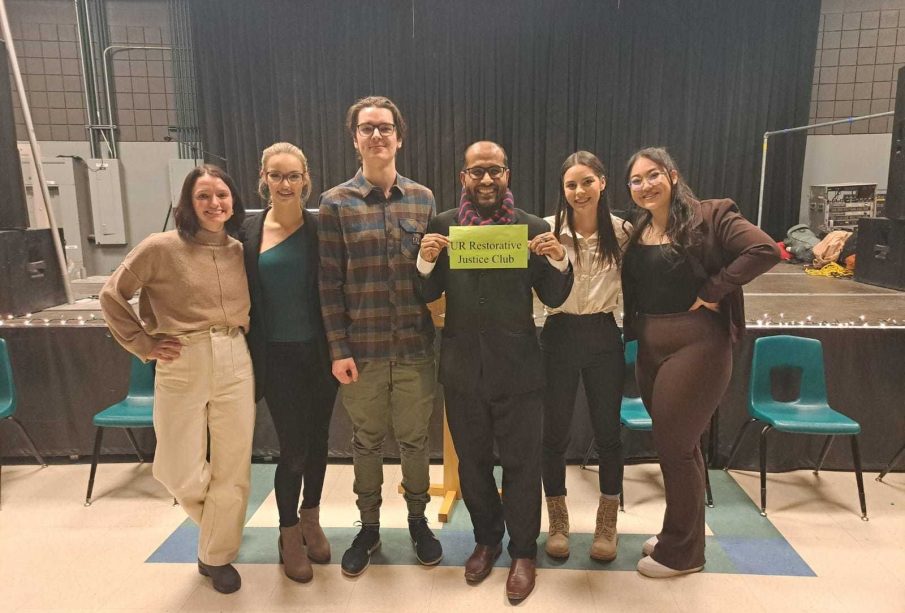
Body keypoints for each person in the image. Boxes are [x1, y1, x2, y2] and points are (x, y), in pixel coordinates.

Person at [416, 141, 573, 602]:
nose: (486, 179)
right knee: (473, 464)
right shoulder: (443, 226)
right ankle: (486, 540)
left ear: (507, 175)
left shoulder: (533, 228)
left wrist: (558, 259)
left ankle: (523, 552)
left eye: (495, 171)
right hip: (463, 370)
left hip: (519, 371)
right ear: (463, 177)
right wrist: (425, 260)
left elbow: (555, 296)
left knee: (523, 466)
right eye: (477, 171)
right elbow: (425, 291)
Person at [620, 147, 780, 578]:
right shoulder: (639, 229)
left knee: (674, 447)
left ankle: (684, 555)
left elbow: (764, 249)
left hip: (697, 346)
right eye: (636, 180)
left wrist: (714, 289)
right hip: (651, 347)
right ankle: (680, 535)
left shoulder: (711, 215)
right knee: (679, 447)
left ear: (672, 175)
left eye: (653, 175)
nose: (645, 185)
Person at [99, 165, 254, 594]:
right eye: (203, 196)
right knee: (175, 468)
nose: (214, 203)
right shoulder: (160, 247)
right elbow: (111, 294)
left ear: (233, 201)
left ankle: (216, 556)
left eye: (221, 195)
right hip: (182, 357)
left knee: (233, 467)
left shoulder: (240, 251)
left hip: (235, 356)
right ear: (187, 203)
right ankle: (219, 531)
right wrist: (142, 343)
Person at [318, 96, 442, 577]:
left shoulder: (423, 200)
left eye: (385, 128)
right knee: (366, 442)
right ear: (355, 139)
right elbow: (329, 284)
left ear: (399, 137)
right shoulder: (335, 203)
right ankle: (368, 527)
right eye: (367, 128)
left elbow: (432, 276)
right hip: (361, 352)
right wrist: (338, 349)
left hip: (414, 349)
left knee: (415, 441)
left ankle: (418, 523)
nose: (377, 135)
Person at [240, 142, 338, 583]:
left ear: (305, 180)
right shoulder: (245, 233)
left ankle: (311, 518)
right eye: (276, 175)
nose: (285, 183)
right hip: (275, 357)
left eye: (293, 176)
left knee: (319, 443)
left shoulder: (322, 230)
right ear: (264, 179)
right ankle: (288, 532)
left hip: (319, 354)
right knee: (293, 448)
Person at [540, 151, 631, 561]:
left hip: (603, 336)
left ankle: (606, 524)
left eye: (587, 182)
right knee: (554, 435)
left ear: (603, 183)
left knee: (608, 434)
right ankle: (557, 522)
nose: (579, 191)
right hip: (558, 334)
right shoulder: (546, 230)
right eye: (571, 185)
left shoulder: (623, 232)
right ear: (563, 190)